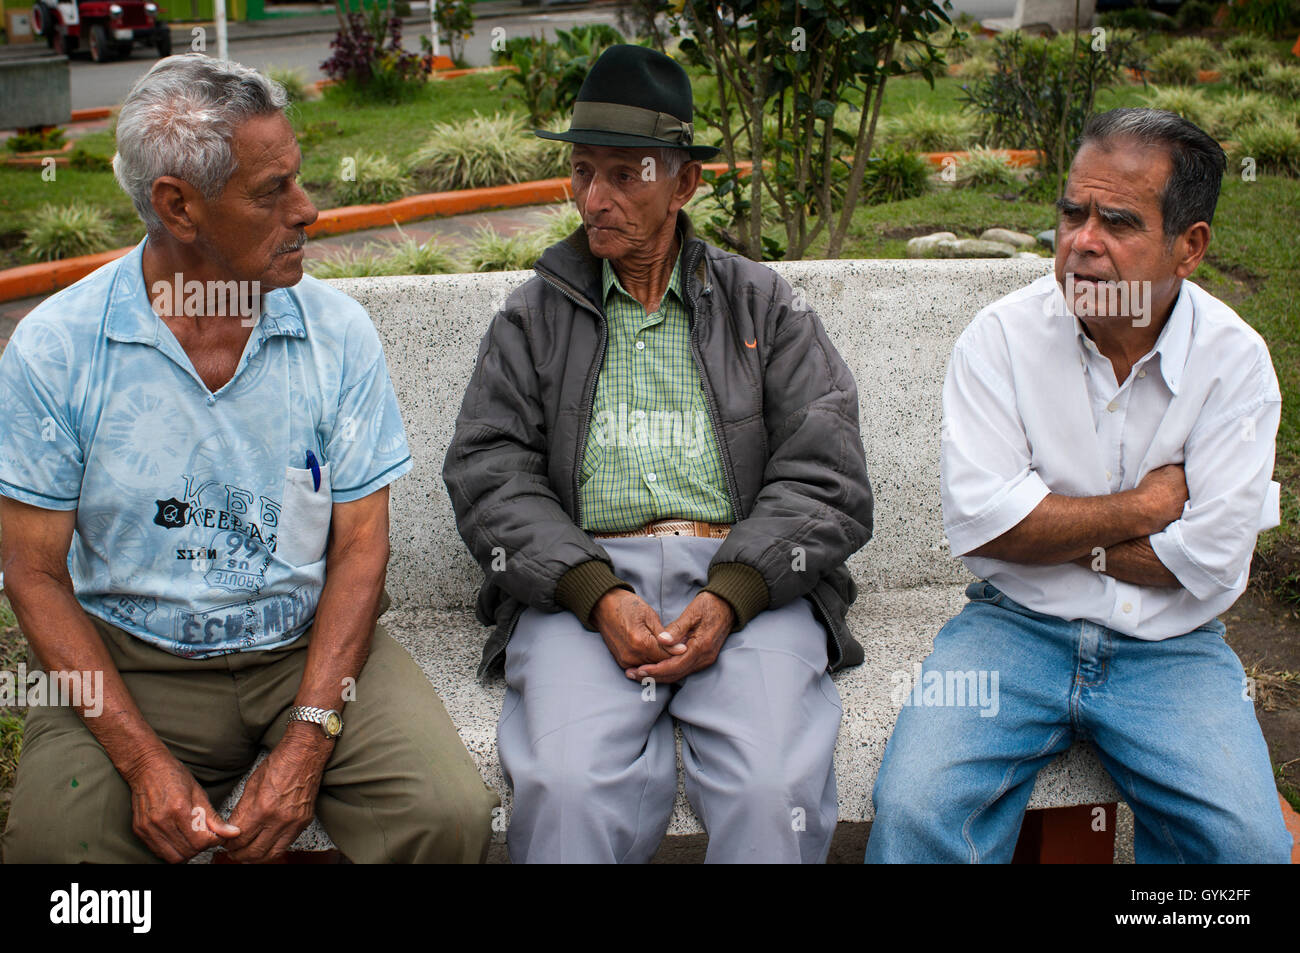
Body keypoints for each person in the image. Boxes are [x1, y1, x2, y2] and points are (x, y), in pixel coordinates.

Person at [0, 54, 497, 864]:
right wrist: (142, 759)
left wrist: (309, 734)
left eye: (297, 179)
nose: (307, 211)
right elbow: (34, 571)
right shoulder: (59, 349)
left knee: (444, 813)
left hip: (307, 644)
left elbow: (362, 545)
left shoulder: (335, 335)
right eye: (272, 191)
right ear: (177, 206)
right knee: (61, 854)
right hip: (130, 657)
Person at [443, 45, 874, 863]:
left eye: (624, 175)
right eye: (581, 172)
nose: (593, 198)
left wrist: (738, 589)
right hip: (583, 585)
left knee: (769, 789)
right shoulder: (534, 316)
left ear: (684, 184)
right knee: (565, 788)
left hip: (748, 580)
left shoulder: (765, 304)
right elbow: (487, 472)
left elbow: (829, 474)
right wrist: (593, 590)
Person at [866, 108, 1292, 863]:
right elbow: (986, 526)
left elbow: (1212, 562)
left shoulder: (1236, 365)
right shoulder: (1001, 339)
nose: (1082, 242)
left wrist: (1046, 528)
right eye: (1072, 212)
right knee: (915, 808)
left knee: (1246, 847)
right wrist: (1149, 507)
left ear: (1188, 246)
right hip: (1013, 626)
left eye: (1119, 222)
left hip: (1172, 648)